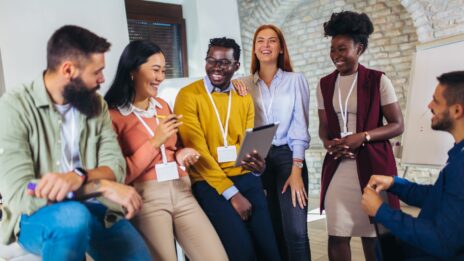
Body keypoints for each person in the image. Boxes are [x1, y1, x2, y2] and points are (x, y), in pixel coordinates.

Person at [0, 25, 151, 260]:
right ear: (68, 70)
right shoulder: (13, 107)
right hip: (36, 214)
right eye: (96, 72)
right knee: (73, 217)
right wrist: (100, 186)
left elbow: (115, 167)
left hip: (97, 209)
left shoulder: (96, 104)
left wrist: (78, 176)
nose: (103, 79)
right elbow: (22, 191)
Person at [104, 40, 228, 261]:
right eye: (155, 70)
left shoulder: (162, 105)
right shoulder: (113, 116)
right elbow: (120, 174)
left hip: (182, 190)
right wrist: (155, 141)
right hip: (147, 198)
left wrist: (182, 154)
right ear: (133, 70)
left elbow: (174, 147)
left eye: (163, 70)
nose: (161, 77)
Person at [174, 37, 281, 261]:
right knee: (242, 252)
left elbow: (247, 146)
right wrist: (233, 195)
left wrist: (257, 167)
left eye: (224, 63)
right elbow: (198, 152)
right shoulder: (188, 96)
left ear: (236, 66)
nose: (216, 67)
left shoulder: (243, 97)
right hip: (211, 183)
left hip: (246, 178)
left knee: (270, 250)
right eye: (211, 60)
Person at [317, 11, 404, 261]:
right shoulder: (324, 84)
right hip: (338, 165)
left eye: (342, 49)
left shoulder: (378, 80)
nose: (336, 56)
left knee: (373, 234)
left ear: (360, 48)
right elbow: (324, 125)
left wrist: (362, 137)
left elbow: (397, 124)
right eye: (332, 49)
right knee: (336, 233)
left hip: (374, 165)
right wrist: (327, 142)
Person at [362, 71, 464, 260]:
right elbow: (438, 197)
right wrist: (394, 183)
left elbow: (442, 241)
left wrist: (381, 211)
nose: (429, 106)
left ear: (457, 111)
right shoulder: (459, 152)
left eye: (436, 101)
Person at [234, 24, 311, 261]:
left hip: (288, 156)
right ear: (254, 49)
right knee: (272, 230)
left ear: (280, 48)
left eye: (271, 41)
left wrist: (297, 169)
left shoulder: (295, 80)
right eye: (260, 41)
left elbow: (301, 126)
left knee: (296, 231)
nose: (265, 45)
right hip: (258, 159)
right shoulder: (242, 84)